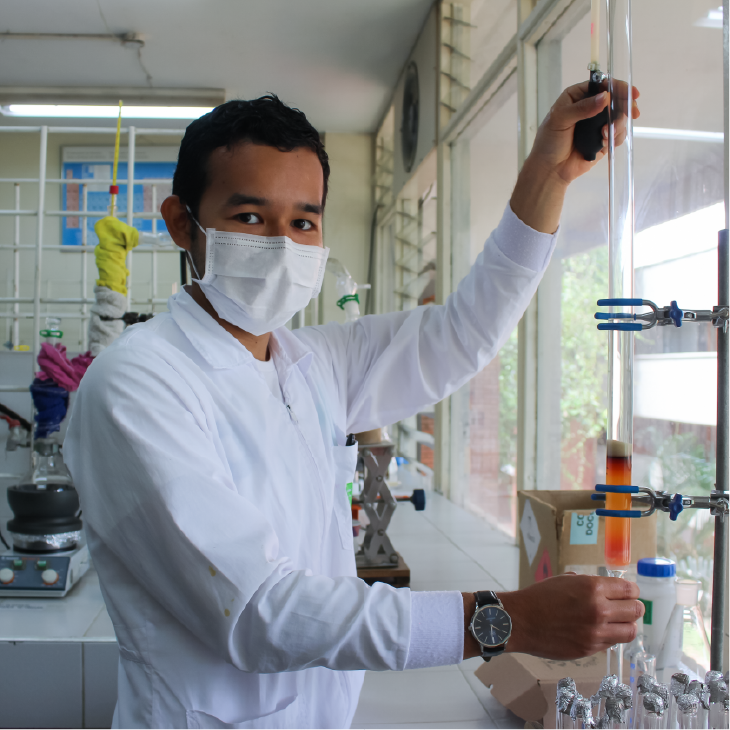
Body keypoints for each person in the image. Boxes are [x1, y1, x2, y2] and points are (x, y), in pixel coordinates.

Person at [65, 85, 642, 729]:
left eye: (303, 221)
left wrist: (549, 173)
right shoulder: (138, 381)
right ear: (182, 223)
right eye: (250, 218)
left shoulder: (311, 364)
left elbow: (462, 333)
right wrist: (509, 619)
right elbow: (260, 613)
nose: (282, 245)